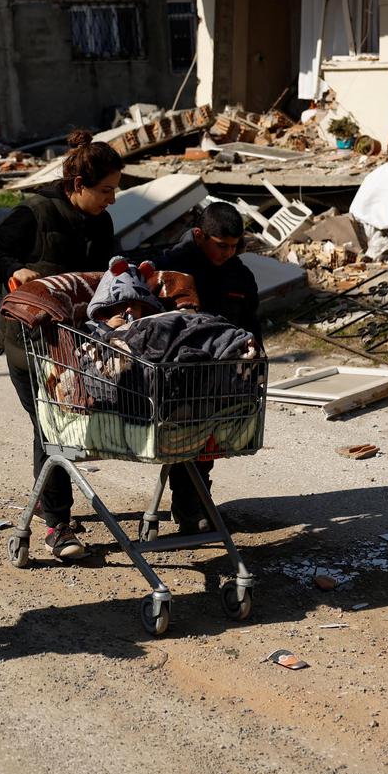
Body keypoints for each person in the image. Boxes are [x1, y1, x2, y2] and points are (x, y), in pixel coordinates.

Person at [0, 129, 123, 562]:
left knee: (65, 425)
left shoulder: (103, 221)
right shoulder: (35, 213)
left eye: (115, 190)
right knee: (51, 427)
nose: (111, 199)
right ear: (78, 185)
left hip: (77, 346)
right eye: (105, 190)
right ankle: (58, 525)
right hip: (30, 344)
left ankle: (46, 499)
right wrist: (13, 269)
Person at [155, 202, 263, 533]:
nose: (228, 253)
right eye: (221, 246)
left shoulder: (240, 275)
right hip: (179, 374)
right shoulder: (171, 266)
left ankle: (194, 504)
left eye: (234, 246)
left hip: (223, 373)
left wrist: (255, 355)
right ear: (200, 235)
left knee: (209, 440)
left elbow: (250, 322)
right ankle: (190, 507)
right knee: (186, 436)